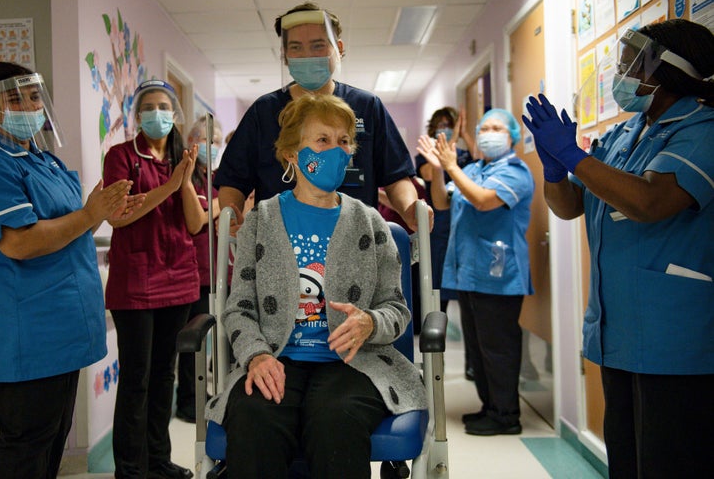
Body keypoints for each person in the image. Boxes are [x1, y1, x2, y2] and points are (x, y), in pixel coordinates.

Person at [523, 19, 714, 478]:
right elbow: (569, 206)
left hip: (676, 339)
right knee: (628, 463)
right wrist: (554, 169)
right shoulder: (626, 134)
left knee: (670, 464)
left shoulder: (701, 128)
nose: (621, 70)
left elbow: (650, 201)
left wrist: (574, 157)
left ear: (664, 69)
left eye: (632, 60)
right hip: (618, 335)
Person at [204, 94, 427, 478]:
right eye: (322, 140)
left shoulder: (370, 223)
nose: (336, 151)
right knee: (255, 416)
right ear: (292, 153)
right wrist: (256, 355)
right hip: (276, 355)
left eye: (343, 141)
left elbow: (396, 308)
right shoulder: (262, 220)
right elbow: (239, 307)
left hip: (354, 363)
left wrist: (370, 322)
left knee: (335, 419)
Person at [0, 61, 143, 479]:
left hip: (62, 328)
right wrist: (89, 213)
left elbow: (69, 230)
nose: (28, 106)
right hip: (28, 330)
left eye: (34, 97)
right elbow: (19, 242)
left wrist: (100, 212)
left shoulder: (42, 160)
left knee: (52, 438)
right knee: (27, 445)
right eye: (14, 98)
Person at [213, 1, 428, 232]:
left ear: (339, 48)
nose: (307, 56)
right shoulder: (264, 112)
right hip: (279, 243)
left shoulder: (366, 107)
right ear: (284, 55)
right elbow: (233, 180)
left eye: (318, 46)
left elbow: (396, 176)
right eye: (296, 47)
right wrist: (232, 216)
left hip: (355, 242)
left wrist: (409, 209)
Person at [103, 79, 206, 479]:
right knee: (136, 379)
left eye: (165, 106)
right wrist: (171, 182)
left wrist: (183, 178)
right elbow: (119, 215)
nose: (157, 113)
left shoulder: (184, 157)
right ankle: (130, 469)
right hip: (135, 284)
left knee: (165, 375)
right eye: (149, 107)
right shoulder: (121, 157)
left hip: (178, 279)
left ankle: (158, 462)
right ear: (137, 116)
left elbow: (195, 224)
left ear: (175, 115)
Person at [417, 108, 533, 436]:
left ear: (511, 135)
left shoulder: (515, 172)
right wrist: (439, 171)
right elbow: (440, 203)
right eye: (485, 127)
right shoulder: (476, 170)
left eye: (497, 127)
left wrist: (453, 166)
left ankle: (507, 416)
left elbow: (483, 201)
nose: (489, 133)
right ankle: (490, 407)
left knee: (498, 349)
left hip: (499, 275)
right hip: (469, 274)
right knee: (479, 349)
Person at [415, 107, 475, 350]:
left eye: (449, 124)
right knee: (437, 285)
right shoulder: (426, 155)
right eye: (439, 124)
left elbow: (479, 160)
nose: (444, 128)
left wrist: (465, 134)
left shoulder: (462, 154)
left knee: (466, 288)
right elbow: (429, 175)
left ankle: (472, 355)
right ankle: (434, 341)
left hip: (463, 223)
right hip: (438, 225)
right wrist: (447, 144)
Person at [175, 115, 222, 423]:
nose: (211, 146)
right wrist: (221, 207)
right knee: (191, 341)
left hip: (213, 271)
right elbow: (198, 221)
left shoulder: (213, 179)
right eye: (205, 140)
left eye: (215, 142)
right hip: (190, 271)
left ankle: (201, 395)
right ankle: (188, 402)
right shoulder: (187, 179)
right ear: (191, 142)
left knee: (207, 340)